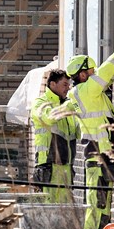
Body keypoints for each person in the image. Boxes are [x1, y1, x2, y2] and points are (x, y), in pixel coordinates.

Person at [65, 39, 114, 229]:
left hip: (102, 156)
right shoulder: (85, 90)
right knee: (96, 204)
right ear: (82, 74)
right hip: (98, 157)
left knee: (103, 204)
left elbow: (109, 76)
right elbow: (106, 71)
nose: (94, 74)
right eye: (91, 71)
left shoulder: (89, 91)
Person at [30, 68, 79, 203]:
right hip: (48, 167)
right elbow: (49, 118)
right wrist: (70, 104)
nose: (68, 88)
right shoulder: (40, 103)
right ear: (52, 84)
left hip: (66, 168)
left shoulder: (67, 105)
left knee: (65, 213)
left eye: (69, 85)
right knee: (48, 210)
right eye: (64, 84)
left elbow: (79, 132)